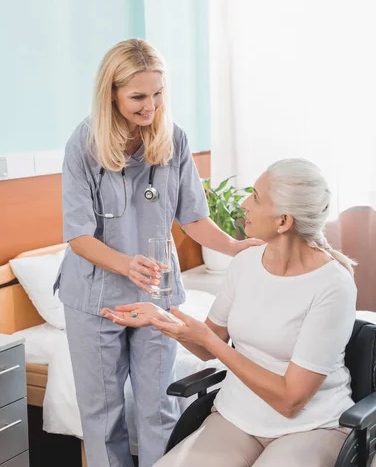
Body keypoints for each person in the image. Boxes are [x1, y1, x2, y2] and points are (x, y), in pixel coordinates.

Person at [54, 38, 262, 467]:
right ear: (111, 92)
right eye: (138, 97)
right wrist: (126, 264)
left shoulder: (173, 139)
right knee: (102, 415)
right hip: (96, 300)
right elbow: (78, 236)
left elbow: (193, 217)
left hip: (156, 294)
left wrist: (235, 246)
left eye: (158, 93)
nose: (151, 106)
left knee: (159, 408)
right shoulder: (84, 145)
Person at [102, 158, 357, 467]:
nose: (245, 202)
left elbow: (290, 401)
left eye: (257, 197)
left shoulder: (333, 285)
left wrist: (211, 342)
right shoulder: (246, 262)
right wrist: (161, 318)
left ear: (283, 221)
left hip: (310, 427)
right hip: (237, 417)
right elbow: (209, 342)